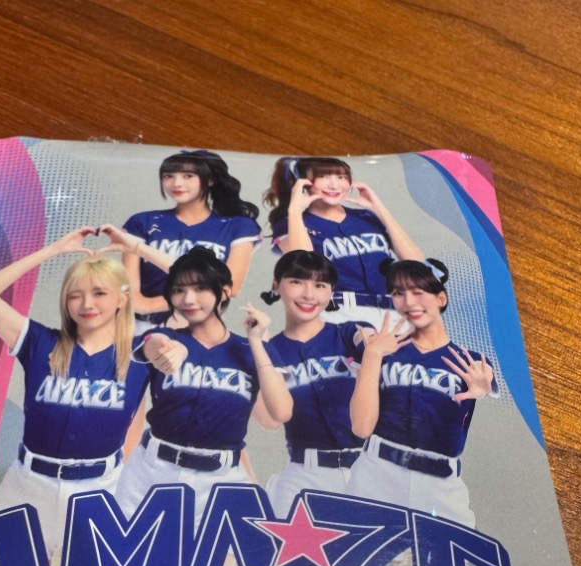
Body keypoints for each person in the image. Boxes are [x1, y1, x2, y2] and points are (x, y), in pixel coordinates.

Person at [0, 226, 151, 561]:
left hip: (99, 490)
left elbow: (209, 290)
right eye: (75, 294)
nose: (86, 303)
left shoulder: (142, 354)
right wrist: (52, 250)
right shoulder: (40, 342)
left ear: (122, 298)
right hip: (28, 486)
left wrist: (137, 248)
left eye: (99, 293)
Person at [114, 247, 293, 524]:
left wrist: (257, 343)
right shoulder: (164, 336)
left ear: (224, 292)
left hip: (222, 480)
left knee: (228, 551)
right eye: (178, 290)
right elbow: (153, 345)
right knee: (131, 550)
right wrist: (172, 351)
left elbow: (277, 416)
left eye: (200, 288)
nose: (188, 299)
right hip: (152, 472)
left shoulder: (250, 350)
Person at [348, 258, 496, 528]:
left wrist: (482, 389)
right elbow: (360, 427)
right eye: (398, 293)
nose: (409, 301)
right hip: (377, 475)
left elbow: (485, 384)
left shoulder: (471, 361)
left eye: (418, 292)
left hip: (440, 485)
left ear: (441, 298)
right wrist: (372, 353)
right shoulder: (383, 348)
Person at [260, 250, 375, 516]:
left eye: (320, 285)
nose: (308, 294)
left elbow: (370, 342)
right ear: (276, 285)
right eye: (297, 281)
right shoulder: (268, 351)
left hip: (370, 470)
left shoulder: (348, 334)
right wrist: (258, 348)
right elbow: (270, 420)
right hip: (305, 475)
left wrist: (373, 348)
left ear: (331, 291)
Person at [263, 156, 422, 327]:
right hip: (338, 314)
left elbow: (417, 265)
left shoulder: (366, 217)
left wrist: (380, 209)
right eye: (323, 176)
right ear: (303, 181)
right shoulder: (291, 224)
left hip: (394, 312)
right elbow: (304, 266)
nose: (334, 185)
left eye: (341, 177)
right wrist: (294, 210)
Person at [121, 149, 262, 334]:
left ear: (210, 179)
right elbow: (131, 293)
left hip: (201, 329)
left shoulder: (238, 226)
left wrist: (158, 305)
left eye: (188, 176)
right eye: (168, 176)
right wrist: (148, 307)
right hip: (140, 327)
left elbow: (230, 287)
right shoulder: (142, 222)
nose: (177, 183)